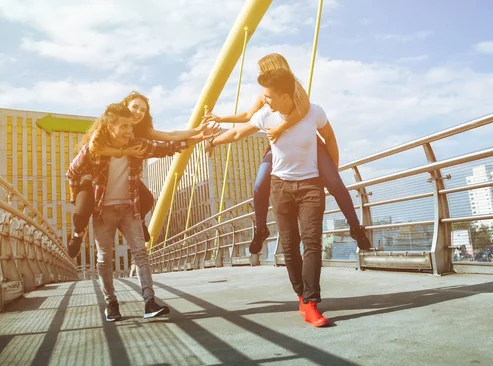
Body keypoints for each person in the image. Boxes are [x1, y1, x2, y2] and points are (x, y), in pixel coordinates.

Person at [204, 53, 371, 255]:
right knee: (259, 184)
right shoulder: (264, 97)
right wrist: (219, 124)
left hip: (308, 145)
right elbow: (247, 119)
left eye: (261, 70)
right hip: (279, 147)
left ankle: (355, 227)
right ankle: (260, 228)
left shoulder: (296, 90)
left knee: (334, 182)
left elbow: (303, 112)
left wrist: (280, 128)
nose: (259, 75)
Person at [66, 103, 219, 321]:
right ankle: (111, 303)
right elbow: (71, 172)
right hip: (103, 211)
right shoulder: (94, 150)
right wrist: (81, 193)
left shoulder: (137, 145)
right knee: (104, 258)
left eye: (130, 126)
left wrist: (199, 137)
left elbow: (168, 147)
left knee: (140, 253)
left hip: (130, 207)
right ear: (110, 127)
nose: (129, 131)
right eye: (124, 126)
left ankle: (149, 301)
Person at [206, 68, 334, 327]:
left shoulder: (314, 112)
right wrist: (213, 142)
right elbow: (237, 133)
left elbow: (329, 138)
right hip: (280, 187)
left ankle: (311, 303)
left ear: (286, 96)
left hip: (310, 186)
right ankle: (301, 295)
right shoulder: (266, 115)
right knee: (289, 246)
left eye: (269, 96)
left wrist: (330, 176)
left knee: (312, 242)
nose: (264, 100)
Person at [68, 91, 204, 258]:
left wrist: (198, 132)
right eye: (135, 107)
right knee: (81, 213)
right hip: (95, 176)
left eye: (143, 110)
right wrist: (125, 151)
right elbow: (94, 148)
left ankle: (139, 221)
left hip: (122, 179)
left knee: (147, 200)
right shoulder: (106, 125)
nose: (138, 112)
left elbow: (170, 137)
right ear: (124, 107)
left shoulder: (140, 131)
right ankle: (77, 235)